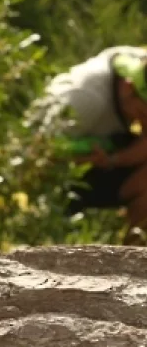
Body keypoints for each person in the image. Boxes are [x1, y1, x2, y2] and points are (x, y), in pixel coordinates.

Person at [39, 46, 147, 237]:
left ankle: (133, 259)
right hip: (58, 173)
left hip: (106, 154)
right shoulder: (84, 101)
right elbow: (33, 151)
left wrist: (114, 159)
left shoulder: (139, 62)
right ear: (129, 88)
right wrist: (79, 160)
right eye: (144, 114)